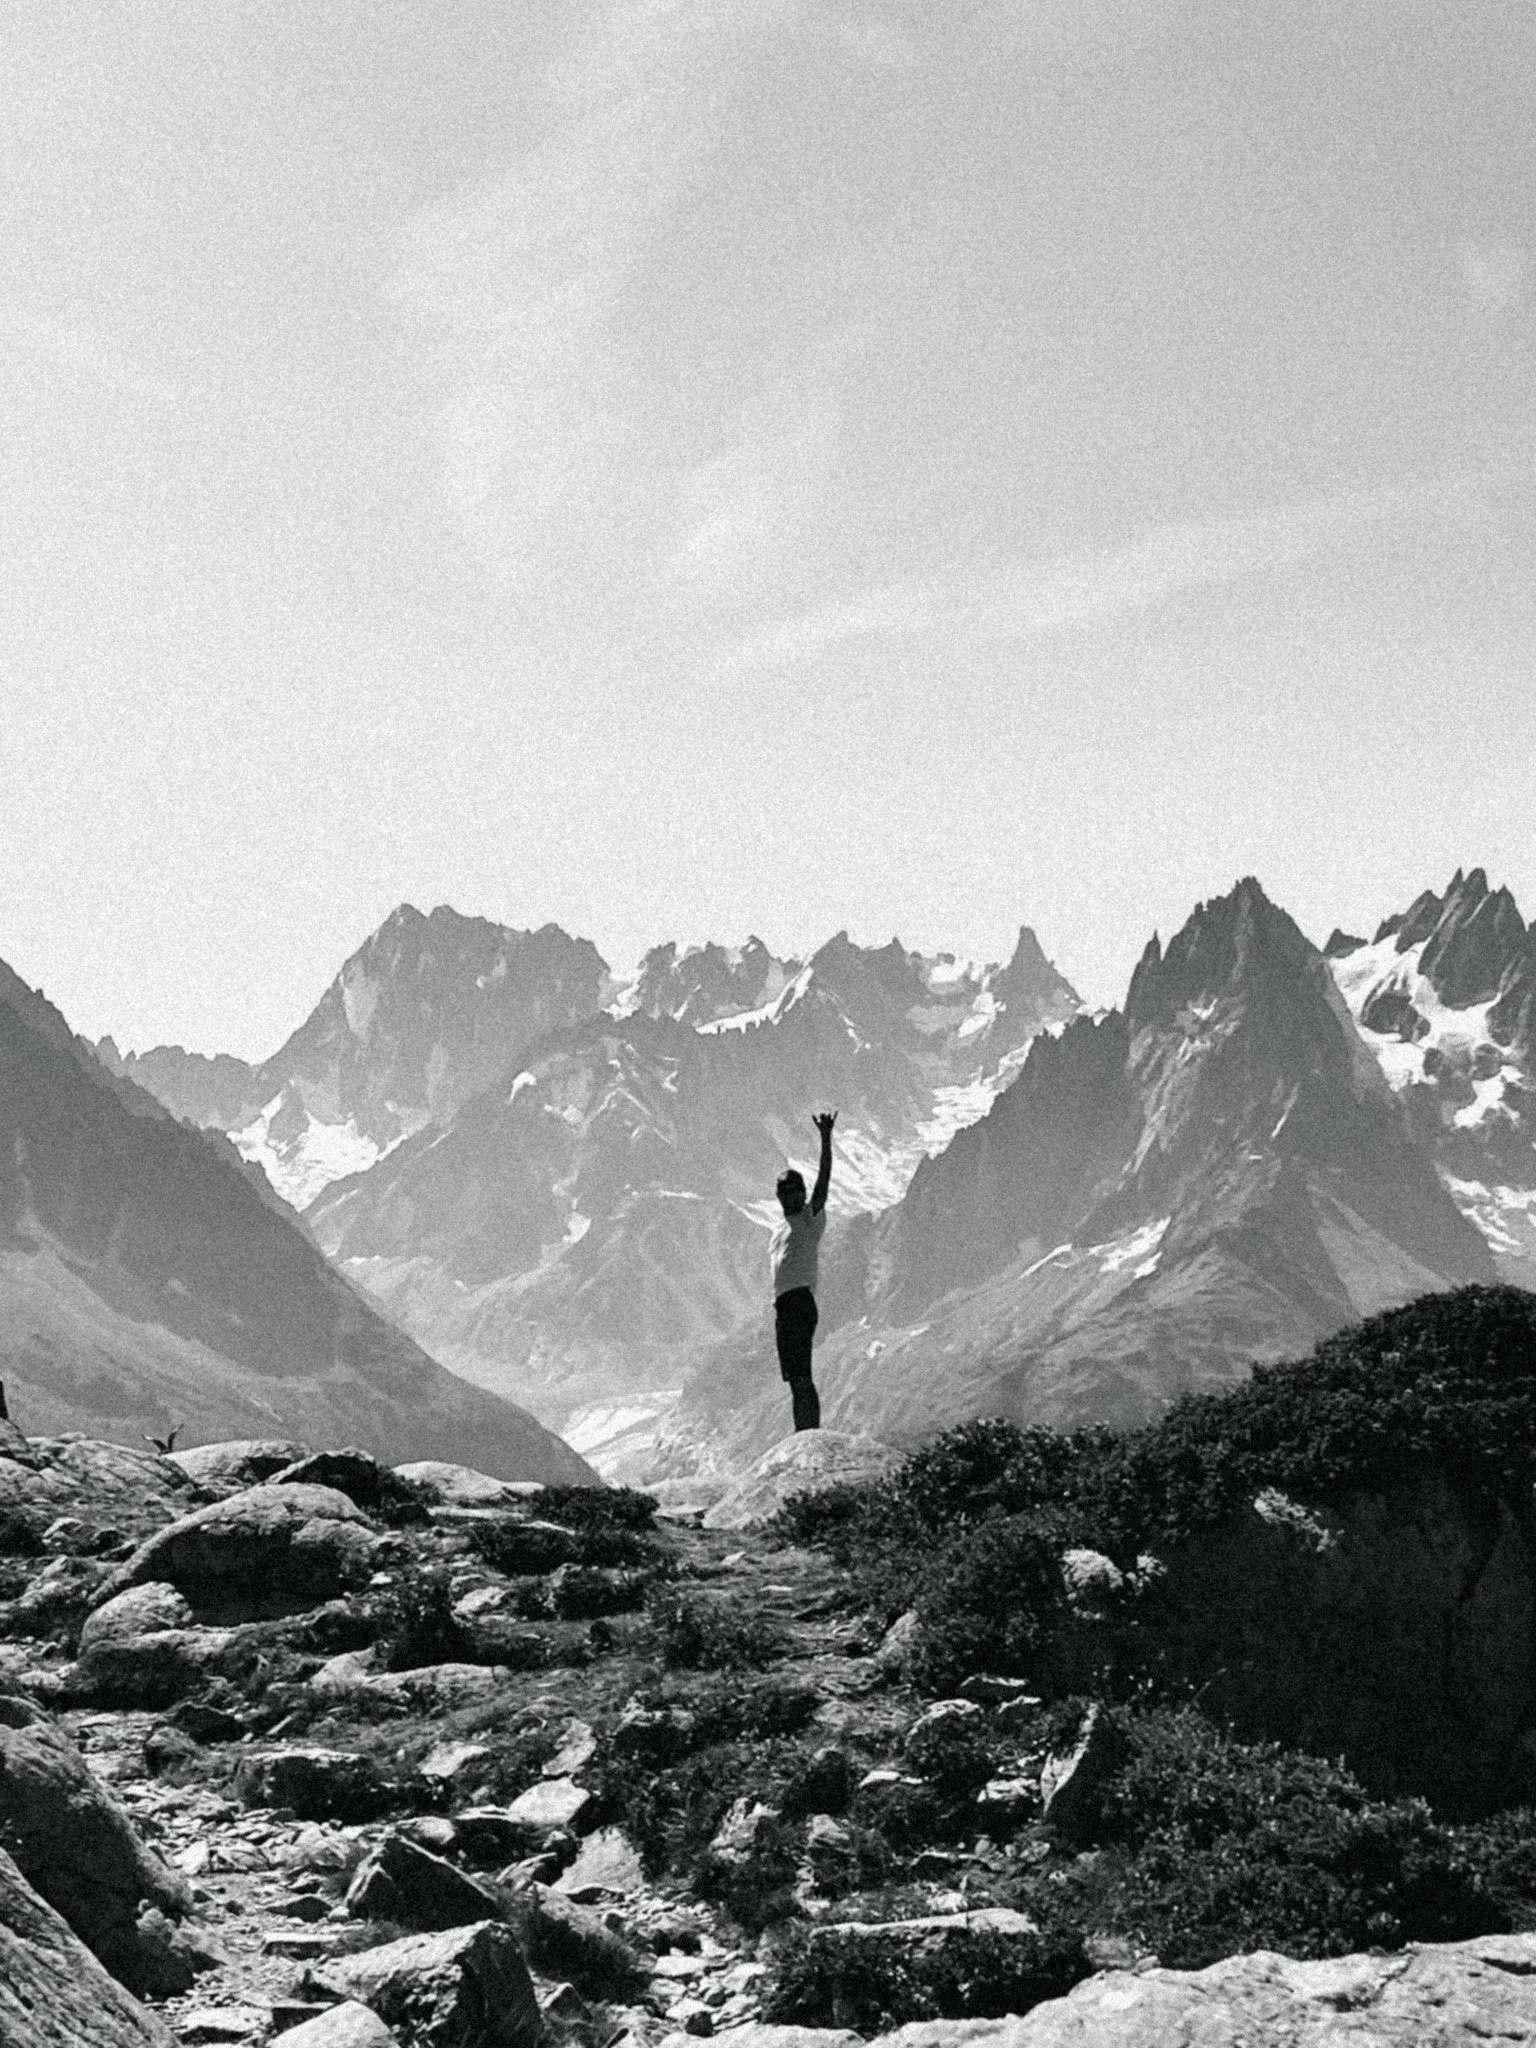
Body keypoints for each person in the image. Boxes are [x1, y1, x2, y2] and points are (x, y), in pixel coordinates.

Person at [770, 1110, 836, 1431]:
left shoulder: (809, 1219)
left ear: (802, 1193)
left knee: (802, 1376)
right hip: (783, 1306)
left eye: (795, 1191)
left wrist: (826, 1139)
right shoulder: (779, 1230)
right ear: (779, 1196)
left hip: (799, 1302)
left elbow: (823, 1183)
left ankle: (810, 1433)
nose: (790, 1196)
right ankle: (803, 1432)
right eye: (785, 1191)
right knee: (794, 1378)